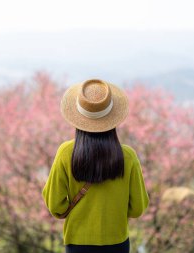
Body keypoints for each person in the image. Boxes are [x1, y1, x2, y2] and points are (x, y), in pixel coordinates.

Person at [42, 79, 149, 253]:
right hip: (117, 242)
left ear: (78, 117)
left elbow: (55, 205)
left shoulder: (65, 153)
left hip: (78, 242)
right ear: (112, 117)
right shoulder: (128, 156)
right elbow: (137, 208)